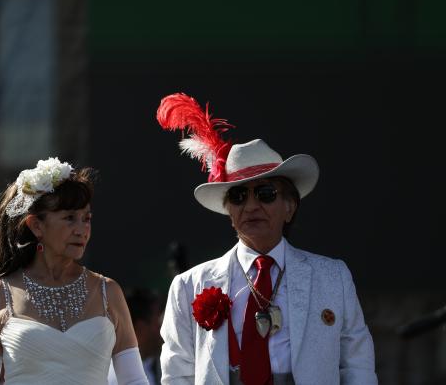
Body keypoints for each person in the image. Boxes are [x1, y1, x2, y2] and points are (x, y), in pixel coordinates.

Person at [156, 93, 377, 385]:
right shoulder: (189, 286)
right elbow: (177, 375)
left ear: (290, 206)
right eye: (238, 196)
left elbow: (357, 367)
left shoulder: (332, 277)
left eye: (265, 194)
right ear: (228, 211)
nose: (250, 206)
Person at [0, 158, 149, 385]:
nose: (82, 230)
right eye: (70, 218)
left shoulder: (108, 291)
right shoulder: (0, 294)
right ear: (36, 226)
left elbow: (134, 381)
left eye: (87, 218)